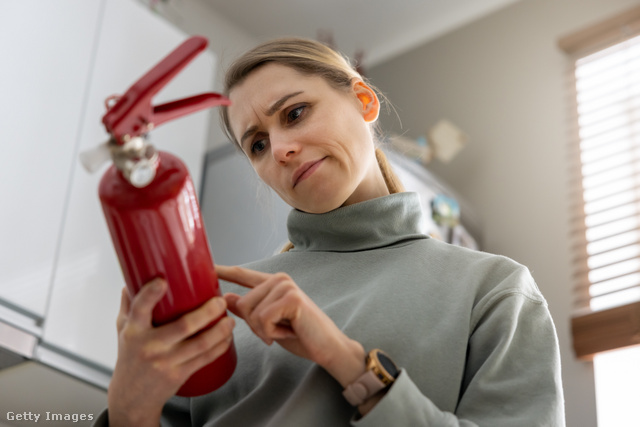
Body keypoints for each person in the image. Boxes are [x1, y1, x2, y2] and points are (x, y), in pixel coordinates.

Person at [95, 37, 565, 426]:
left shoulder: (493, 290)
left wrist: (346, 361)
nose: (279, 149)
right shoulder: (217, 305)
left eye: (294, 113)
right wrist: (129, 403)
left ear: (364, 100)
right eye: (257, 144)